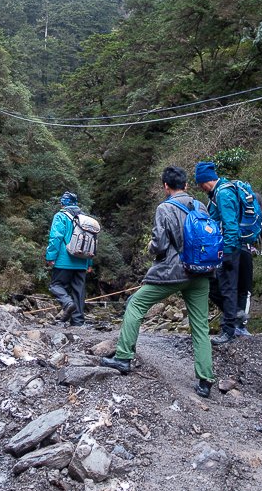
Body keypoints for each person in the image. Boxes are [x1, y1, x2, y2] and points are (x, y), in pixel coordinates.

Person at [100, 166, 215, 398]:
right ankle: (205, 380)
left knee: (136, 304)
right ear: (186, 184)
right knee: (201, 326)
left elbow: (160, 245)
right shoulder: (200, 206)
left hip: (174, 272)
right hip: (202, 272)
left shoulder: (165, 208)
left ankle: (123, 357)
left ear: (165, 186)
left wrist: (151, 247)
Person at [194, 160, 241, 345]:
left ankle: (229, 331)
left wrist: (228, 251)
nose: (200, 187)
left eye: (200, 184)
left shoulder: (223, 194)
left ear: (205, 181)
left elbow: (230, 225)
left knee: (227, 288)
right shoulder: (217, 193)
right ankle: (235, 315)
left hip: (229, 249)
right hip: (221, 249)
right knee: (214, 285)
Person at [44, 191, 93, 326]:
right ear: (76, 203)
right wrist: (89, 263)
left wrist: (50, 257)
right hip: (82, 261)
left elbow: (56, 237)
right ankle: (77, 323)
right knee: (79, 292)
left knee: (56, 285)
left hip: (63, 261)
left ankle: (67, 303)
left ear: (63, 203)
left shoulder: (60, 216)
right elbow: (91, 242)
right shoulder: (86, 219)